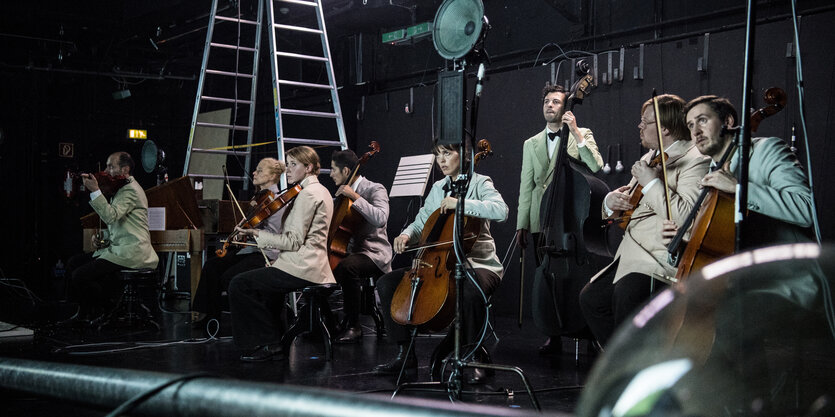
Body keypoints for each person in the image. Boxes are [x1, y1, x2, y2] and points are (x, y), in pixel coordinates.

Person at [578, 94, 710, 347]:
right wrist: (610, 203)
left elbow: (685, 217)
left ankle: (632, 371)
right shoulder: (650, 158)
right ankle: (623, 367)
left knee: (625, 298)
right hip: (631, 254)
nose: (639, 126)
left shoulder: (696, 160)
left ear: (664, 128)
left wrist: (651, 182)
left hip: (658, 258)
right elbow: (627, 205)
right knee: (591, 300)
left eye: (644, 122)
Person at [374, 142, 508, 385]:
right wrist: (406, 235)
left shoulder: (480, 182)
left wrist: (463, 204)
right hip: (438, 263)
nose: (441, 160)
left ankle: (476, 355)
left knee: (469, 291)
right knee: (387, 283)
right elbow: (421, 221)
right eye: (438, 155)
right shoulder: (438, 187)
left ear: (464, 155)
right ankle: (405, 354)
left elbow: (501, 210)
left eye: (447, 154)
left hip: (478, 263)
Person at [516, 82, 604, 354]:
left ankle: (588, 330)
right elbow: (526, 185)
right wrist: (522, 224)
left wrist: (575, 132)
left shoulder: (583, 133)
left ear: (565, 106)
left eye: (556, 101)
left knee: (581, 277)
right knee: (547, 278)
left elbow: (596, 165)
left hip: (570, 216)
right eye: (547, 102)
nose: (550, 106)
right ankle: (552, 334)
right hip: (540, 218)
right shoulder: (530, 143)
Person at [227, 146, 335, 362]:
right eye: (288, 164)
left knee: (239, 284)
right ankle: (273, 341)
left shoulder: (308, 194)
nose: (288, 170)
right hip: (311, 264)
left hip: (304, 267)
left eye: (294, 165)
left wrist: (256, 232)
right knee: (263, 285)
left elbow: (292, 242)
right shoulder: (321, 191)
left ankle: (266, 342)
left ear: (309, 167)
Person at [682, 95, 813, 245]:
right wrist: (683, 246)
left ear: (728, 121)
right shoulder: (710, 176)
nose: (696, 132)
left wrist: (737, 188)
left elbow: (806, 209)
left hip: (786, 265)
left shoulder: (768, 149)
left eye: (702, 120)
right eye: (690, 125)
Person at [190, 158, 286, 328]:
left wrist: (249, 229)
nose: (254, 173)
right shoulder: (260, 198)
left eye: (260, 170)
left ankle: (247, 322)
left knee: (230, 276)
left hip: (266, 253)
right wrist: (240, 233)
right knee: (212, 266)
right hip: (252, 250)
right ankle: (210, 317)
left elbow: (272, 234)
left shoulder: (276, 202)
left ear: (272, 176)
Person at [66, 152, 159, 318]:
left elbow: (111, 216)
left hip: (132, 253)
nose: (106, 171)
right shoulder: (121, 189)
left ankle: (108, 309)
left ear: (124, 169)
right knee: (74, 263)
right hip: (121, 250)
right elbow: (121, 226)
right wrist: (104, 238)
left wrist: (95, 191)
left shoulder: (131, 190)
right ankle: (88, 311)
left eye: (111, 166)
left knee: (80, 275)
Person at [328, 149, 392, 343]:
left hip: (374, 253)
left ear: (346, 171)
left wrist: (355, 197)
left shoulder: (374, 189)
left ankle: (354, 326)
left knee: (346, 268)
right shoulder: (341, 194)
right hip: (351, 251)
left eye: (333, 170)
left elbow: (381, 218)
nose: (330, 174)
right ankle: (328, 322)